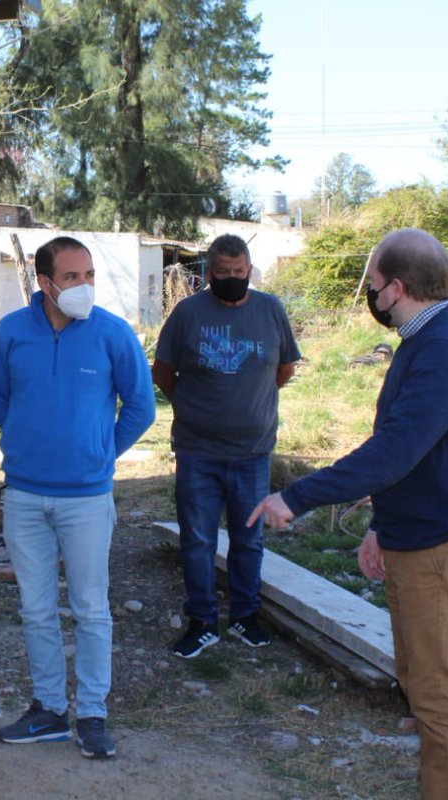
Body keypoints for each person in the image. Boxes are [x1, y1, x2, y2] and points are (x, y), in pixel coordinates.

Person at [248, 228, 448, 800]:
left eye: (374, 285)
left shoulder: (446, 350)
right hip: (418, 533)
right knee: (417, 680)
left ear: (396, 287)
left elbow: (393, 452)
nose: (372, 295)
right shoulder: (425, 341)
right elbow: (415, 447)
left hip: (442, 541)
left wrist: (296, 496)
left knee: (436, 696)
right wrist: (383, 526)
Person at [0, 236, 156, 759]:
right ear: (45, 283)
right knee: (36, 610)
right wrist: (34, 446)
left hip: (86, 499)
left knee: (90, 609)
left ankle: (93, 715)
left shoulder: (111, 334)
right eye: (72, 277)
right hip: (25, 498)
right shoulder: (11, 333)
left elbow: (141, 407)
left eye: (89, 276)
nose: (84, 286)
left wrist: (100, 455)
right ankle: (49, 711)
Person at [152, 234, 300, 658]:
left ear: (249, 270)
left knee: (248, 538)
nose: (232, 279)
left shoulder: (270, 309)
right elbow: (163, 371)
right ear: (208, 274)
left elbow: (285, 367)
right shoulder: (188, 313)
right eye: (222, 274)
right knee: (197, 538)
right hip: (198, 451)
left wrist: (249, 400)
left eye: (239, 273)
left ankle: (244, 617)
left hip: (253, 451)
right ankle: (201, 621)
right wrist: (193, 405)